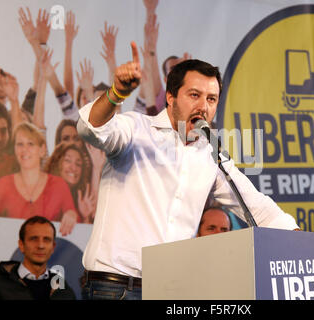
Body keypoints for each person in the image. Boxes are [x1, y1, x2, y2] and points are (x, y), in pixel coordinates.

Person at [77, 42, 299, 300]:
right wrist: (116, 93)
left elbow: (255, 205)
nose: (203, 106)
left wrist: (301, 243)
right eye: (194, 95)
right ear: (170, 97)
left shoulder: (210, 152)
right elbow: (90, 129)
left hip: (171, 290)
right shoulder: (136, 129)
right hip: (116, 288)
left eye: (211, 99)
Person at [0, 122, 78, 235]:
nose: (24, 149)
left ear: (42, 150)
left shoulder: (59, 185)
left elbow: (74, 219)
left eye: (30, 144)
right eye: (20, 144)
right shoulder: (3, 184)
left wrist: (72, 215)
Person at [0, 215, 75, 300]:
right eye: (34, 239)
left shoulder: (64, 292)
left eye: (46, 239)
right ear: (21, 245)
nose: (41, 246)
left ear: (53, 247)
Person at [44, 142, 96, 223]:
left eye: (78, 164)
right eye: (68, 160)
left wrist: (86, 217)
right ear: (56, 163)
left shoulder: (82, 201)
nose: (73, 168)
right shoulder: (44, 191)